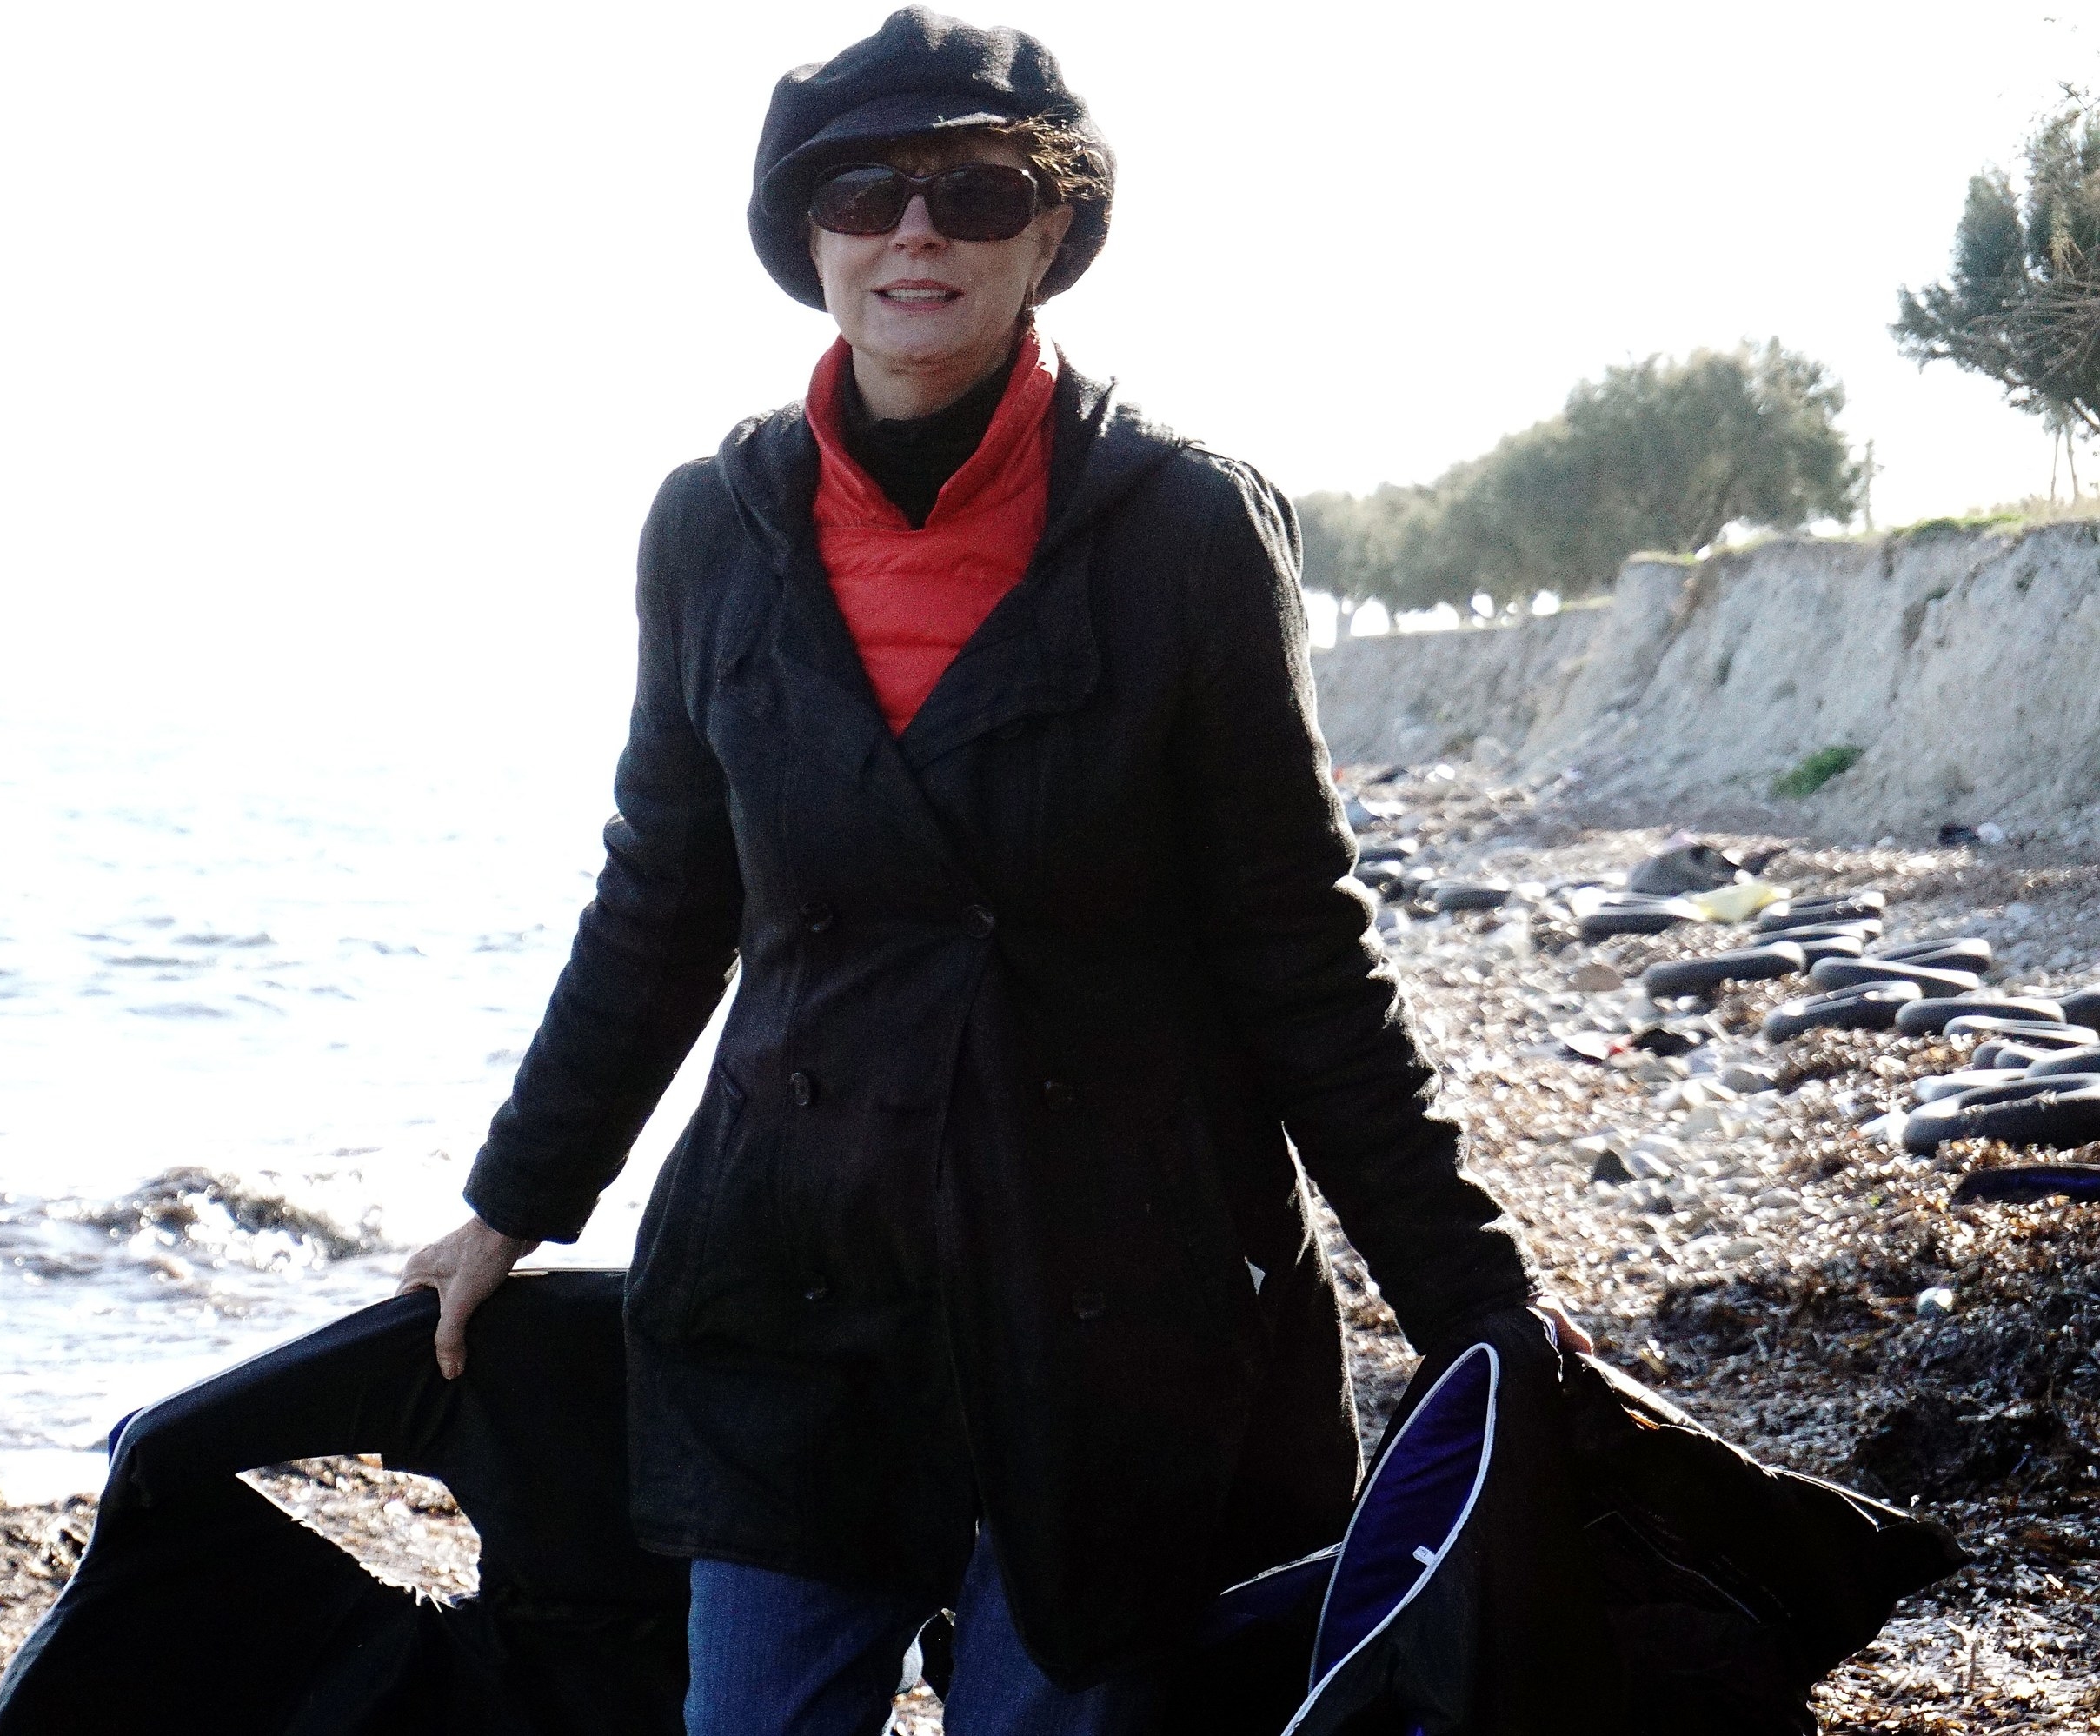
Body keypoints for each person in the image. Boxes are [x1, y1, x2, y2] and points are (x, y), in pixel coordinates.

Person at [400, 10, 1581, 1734]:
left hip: (1115, 1309)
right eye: (862, 192)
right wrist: (512, 1203)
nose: (914, 233)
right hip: (792, 1295)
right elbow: (663, 902)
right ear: (804, 238)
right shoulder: (709, 530)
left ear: (1052, 229)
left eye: (971, 189)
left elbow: (1298, 951)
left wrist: (1479, 1306)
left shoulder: (1185, 528)